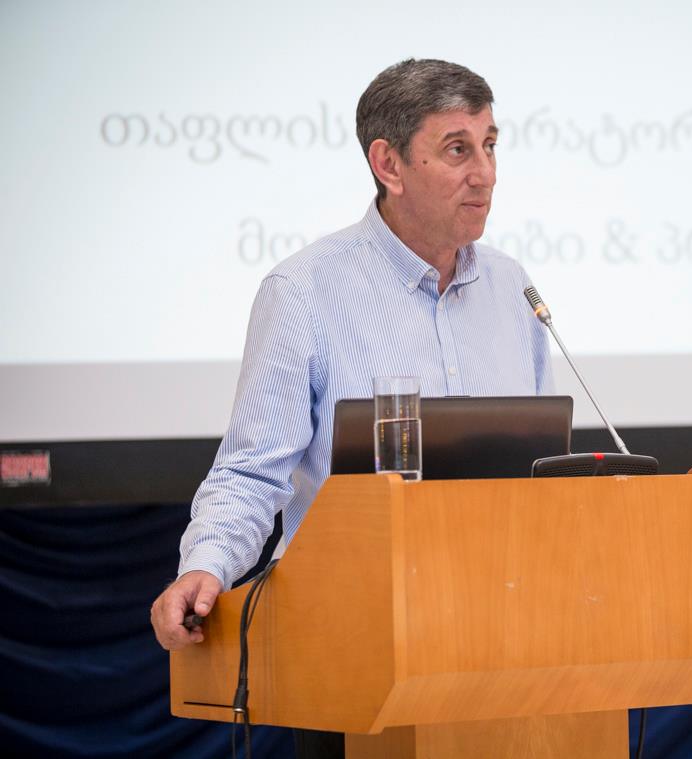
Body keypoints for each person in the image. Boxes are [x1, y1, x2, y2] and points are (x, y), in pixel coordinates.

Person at [150, 59, 552, 654]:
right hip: (350, 634)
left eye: (490, 146)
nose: (486, 174)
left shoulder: (512, 287)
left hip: (500, 627)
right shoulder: (304, 292)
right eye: (458, 150)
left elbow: (538, 474)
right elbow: (252, 471)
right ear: (388, 164)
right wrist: (206, 565)